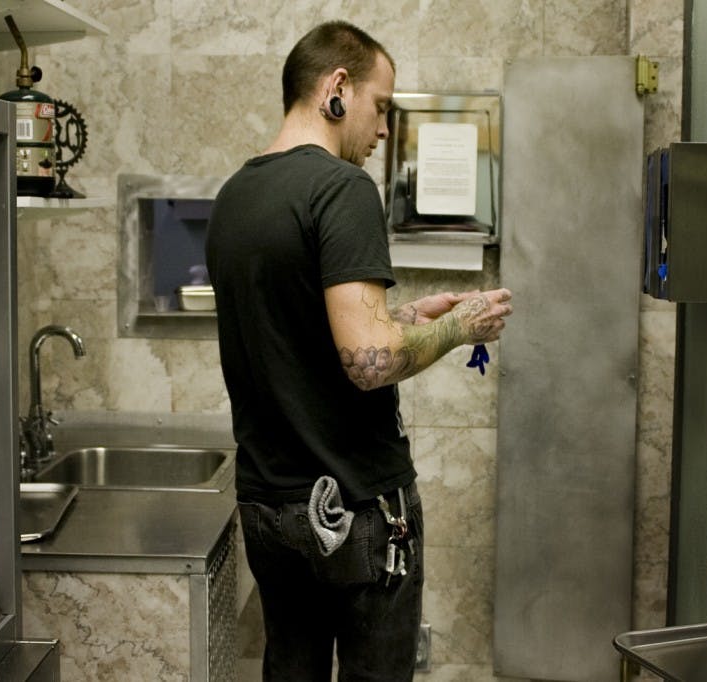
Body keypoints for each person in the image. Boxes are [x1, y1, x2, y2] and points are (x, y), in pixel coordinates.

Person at [205, 20, 513, 682]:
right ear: (336, 88)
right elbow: (367, 361)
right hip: (355, 507)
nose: (381, 130)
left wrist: (403, 315)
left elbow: (300, 333)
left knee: (291, 667)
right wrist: (462, 324)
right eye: (380, 107)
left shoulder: (236, 196)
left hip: (269, 507)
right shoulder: (340, 188)